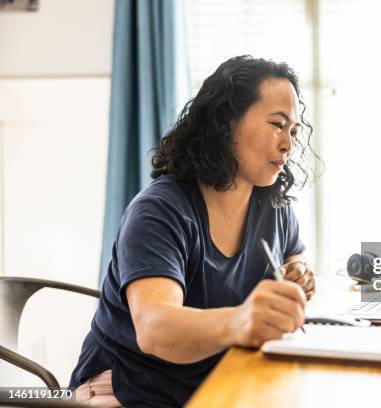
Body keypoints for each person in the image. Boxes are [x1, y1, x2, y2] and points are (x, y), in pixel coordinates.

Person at [69, 55, 320, 407]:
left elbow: (294, 254)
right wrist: (242, 320)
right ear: (226, 122)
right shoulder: (159, 210)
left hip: (208, 385)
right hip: (128, 388)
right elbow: (156, 329)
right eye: (277, 125)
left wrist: (301, 270)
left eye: (293, 131)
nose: (288, 144)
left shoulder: (273, 207)